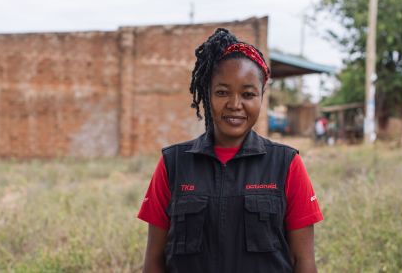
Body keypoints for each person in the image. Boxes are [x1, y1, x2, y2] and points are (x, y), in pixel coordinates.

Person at [137, 28, 323, 273]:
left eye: (248, 94)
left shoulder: (286, 164)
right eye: (222, 92)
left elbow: (304, 262)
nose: (235, 105)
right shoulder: (173, 164)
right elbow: (154, 261)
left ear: (261, 97)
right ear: (207, 94)